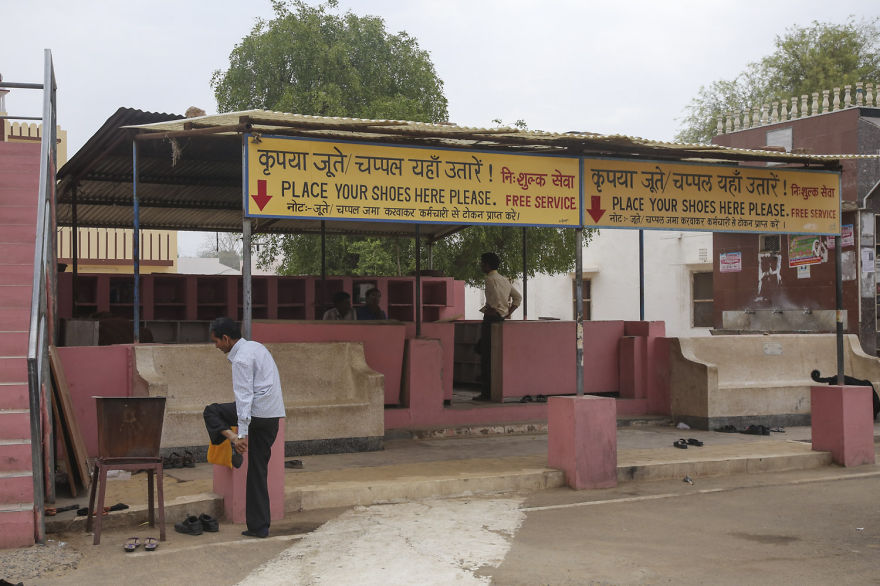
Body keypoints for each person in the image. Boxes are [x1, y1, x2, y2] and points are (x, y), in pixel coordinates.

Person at [202, 317, 285, 538]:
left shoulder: (240, 360)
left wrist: (241, 435)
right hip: (272, 416)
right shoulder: (256, 347)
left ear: (226, 338)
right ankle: (259, 528)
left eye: (216, 341)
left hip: (256, 414)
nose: (216, 346)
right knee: (258, 472)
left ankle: (231, 439)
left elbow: (244, 398)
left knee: (212, 411)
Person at [477, 252, 521, 401]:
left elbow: (494, 301)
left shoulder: (489, 279)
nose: (481, 265)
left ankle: (486, 392)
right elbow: (518, 298)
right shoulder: (504, 279)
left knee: (486, 355)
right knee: (494, 356)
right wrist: (507, 312)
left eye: (482, 263)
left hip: (491, 318)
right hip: (501, 320)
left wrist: (494, 309)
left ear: (488, 264)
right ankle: (493, 389)